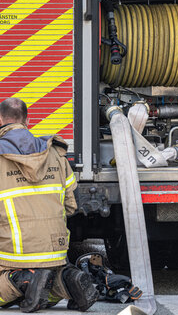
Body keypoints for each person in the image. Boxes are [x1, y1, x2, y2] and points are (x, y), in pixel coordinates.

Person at [0, 98, 98, 312]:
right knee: (48, 288)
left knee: (7, 290)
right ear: (27, 120)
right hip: (54, 253)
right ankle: (68, 280)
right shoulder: (55, 153)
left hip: (11, 256)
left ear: (0, 119)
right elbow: (72, 206)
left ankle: (22, 280)